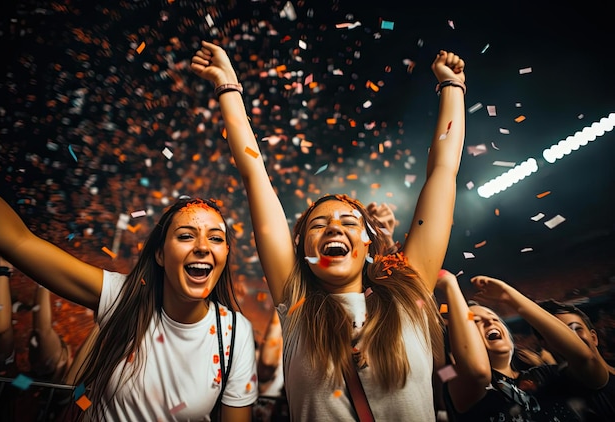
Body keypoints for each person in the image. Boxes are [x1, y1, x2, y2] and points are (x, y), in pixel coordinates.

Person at [191, 40, 466, 420]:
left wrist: (452, 87)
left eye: (349, 222)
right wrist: (228, 87)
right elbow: (254, 173)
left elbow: (443, 172)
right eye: (318, 224)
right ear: (301, 246)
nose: (334, 226)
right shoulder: (296, 305)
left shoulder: (407, 295)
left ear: (369, 242)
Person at [0, 190, 258, 421]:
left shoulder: (235, 333)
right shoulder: (123, 297)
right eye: (186, 236)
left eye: (215, 238)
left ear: (225, 254)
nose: (202, 247)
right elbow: (16, 241)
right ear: (160, 255)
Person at [436, 271, 609, 421]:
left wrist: (510, 296)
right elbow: (474, 371)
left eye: (495, 318)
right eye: (476, 322)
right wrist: (451, 285)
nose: (490, 320)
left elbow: (587, 360)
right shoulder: (456, 380)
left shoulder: (546, 374)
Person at [537, 299, 615, 421]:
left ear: (593, 337)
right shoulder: (550, 394)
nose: (571, 337)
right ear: (545, 345)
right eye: (559, 334)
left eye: (576, 328)